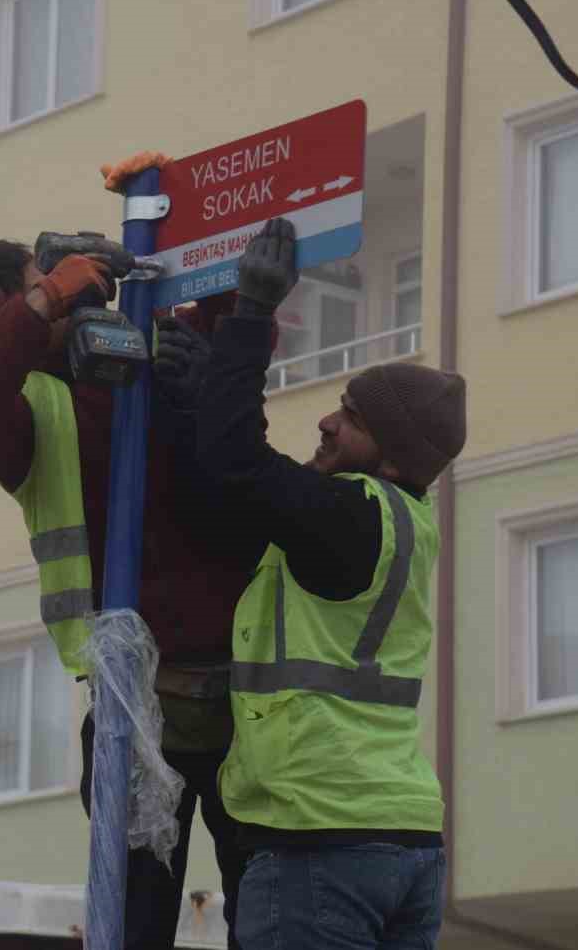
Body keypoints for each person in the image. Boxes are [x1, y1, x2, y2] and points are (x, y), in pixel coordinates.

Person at [0, 223, 266, 950]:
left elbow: (237, 362)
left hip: (252, 700)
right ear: (9, 306)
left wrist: (215, 346)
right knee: (133, 927)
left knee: (270, 923)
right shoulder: (29, 411)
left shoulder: (134, 349)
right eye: (42, 280)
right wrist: (49, 301)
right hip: (138, 711)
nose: (75, 288)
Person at [157, 218, 465, 950]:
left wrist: (251, 314)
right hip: (403, 838)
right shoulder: (397, 521)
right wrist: (207, 387)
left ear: (393, 459)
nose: (327, 421)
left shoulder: (348, 516)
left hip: (321, 842)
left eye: (353, 418)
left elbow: (240, 464)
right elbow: (249, 487)